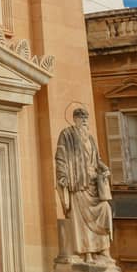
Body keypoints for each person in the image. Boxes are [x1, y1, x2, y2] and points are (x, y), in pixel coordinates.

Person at [54, 105, 113, 258]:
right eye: (81, 118)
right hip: (78, 183)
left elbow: (97, 159)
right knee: (81, 220)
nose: (85, 120)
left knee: (105, 208)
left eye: (86, 118)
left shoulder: (91, 138)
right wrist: (63, 176)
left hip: (94, 183)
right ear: (75, 119)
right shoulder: (67, 135)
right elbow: (60, 157)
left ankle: (103, 249)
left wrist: (104, 168)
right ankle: (86, 252)